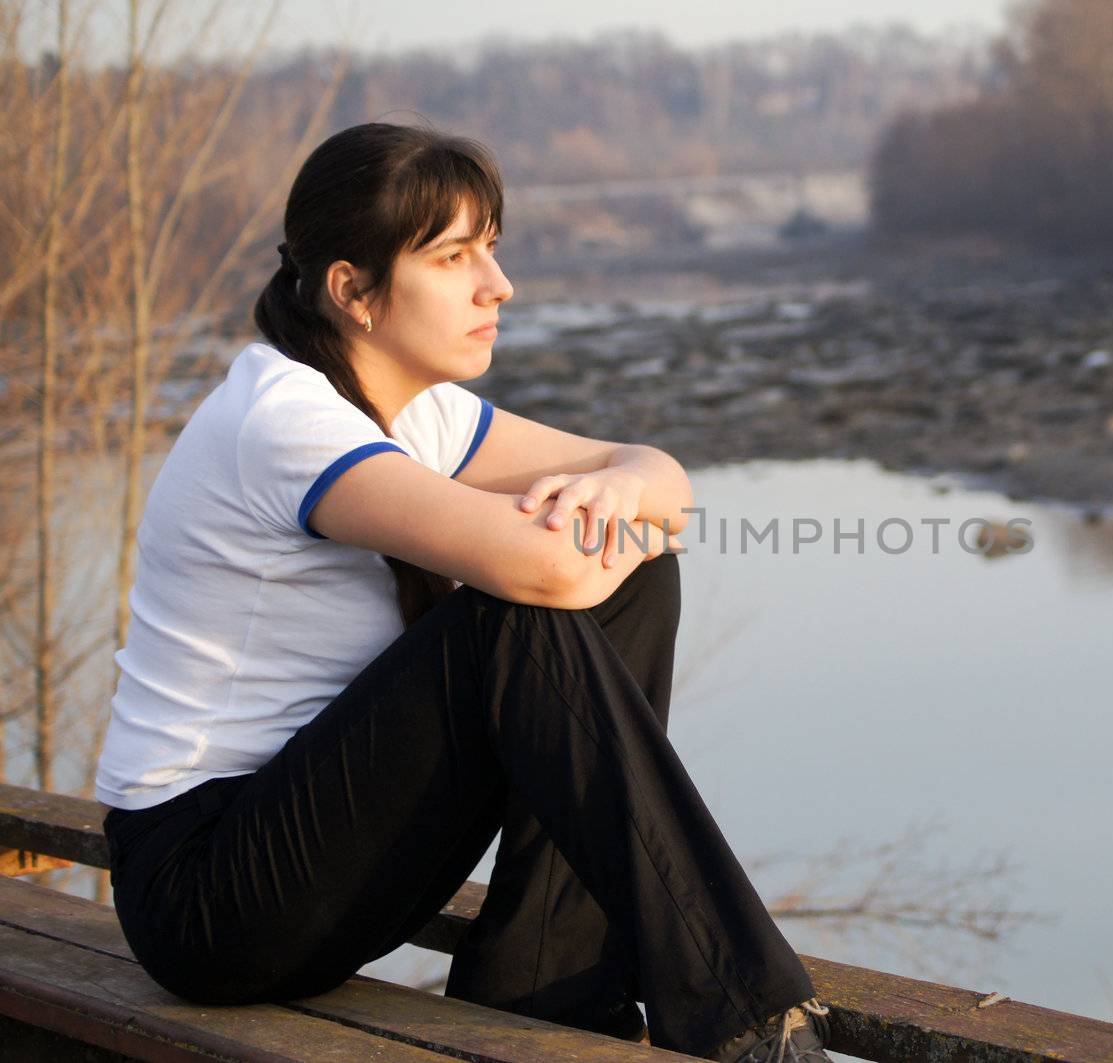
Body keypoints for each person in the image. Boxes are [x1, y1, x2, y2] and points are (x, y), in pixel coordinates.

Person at [92, 122, 833, 1062]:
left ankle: (547, 989)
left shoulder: (422, 412)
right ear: (352, 290)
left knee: (631, 578)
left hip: (320, 864)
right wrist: (613, 521)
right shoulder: (281, 420)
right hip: (206, 889)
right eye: (452, 257)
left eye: (491, 248)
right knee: (512, 616)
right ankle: (745, 1014)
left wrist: (620, 492)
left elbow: (659, 478)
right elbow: (549, 573)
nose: (498, 285)